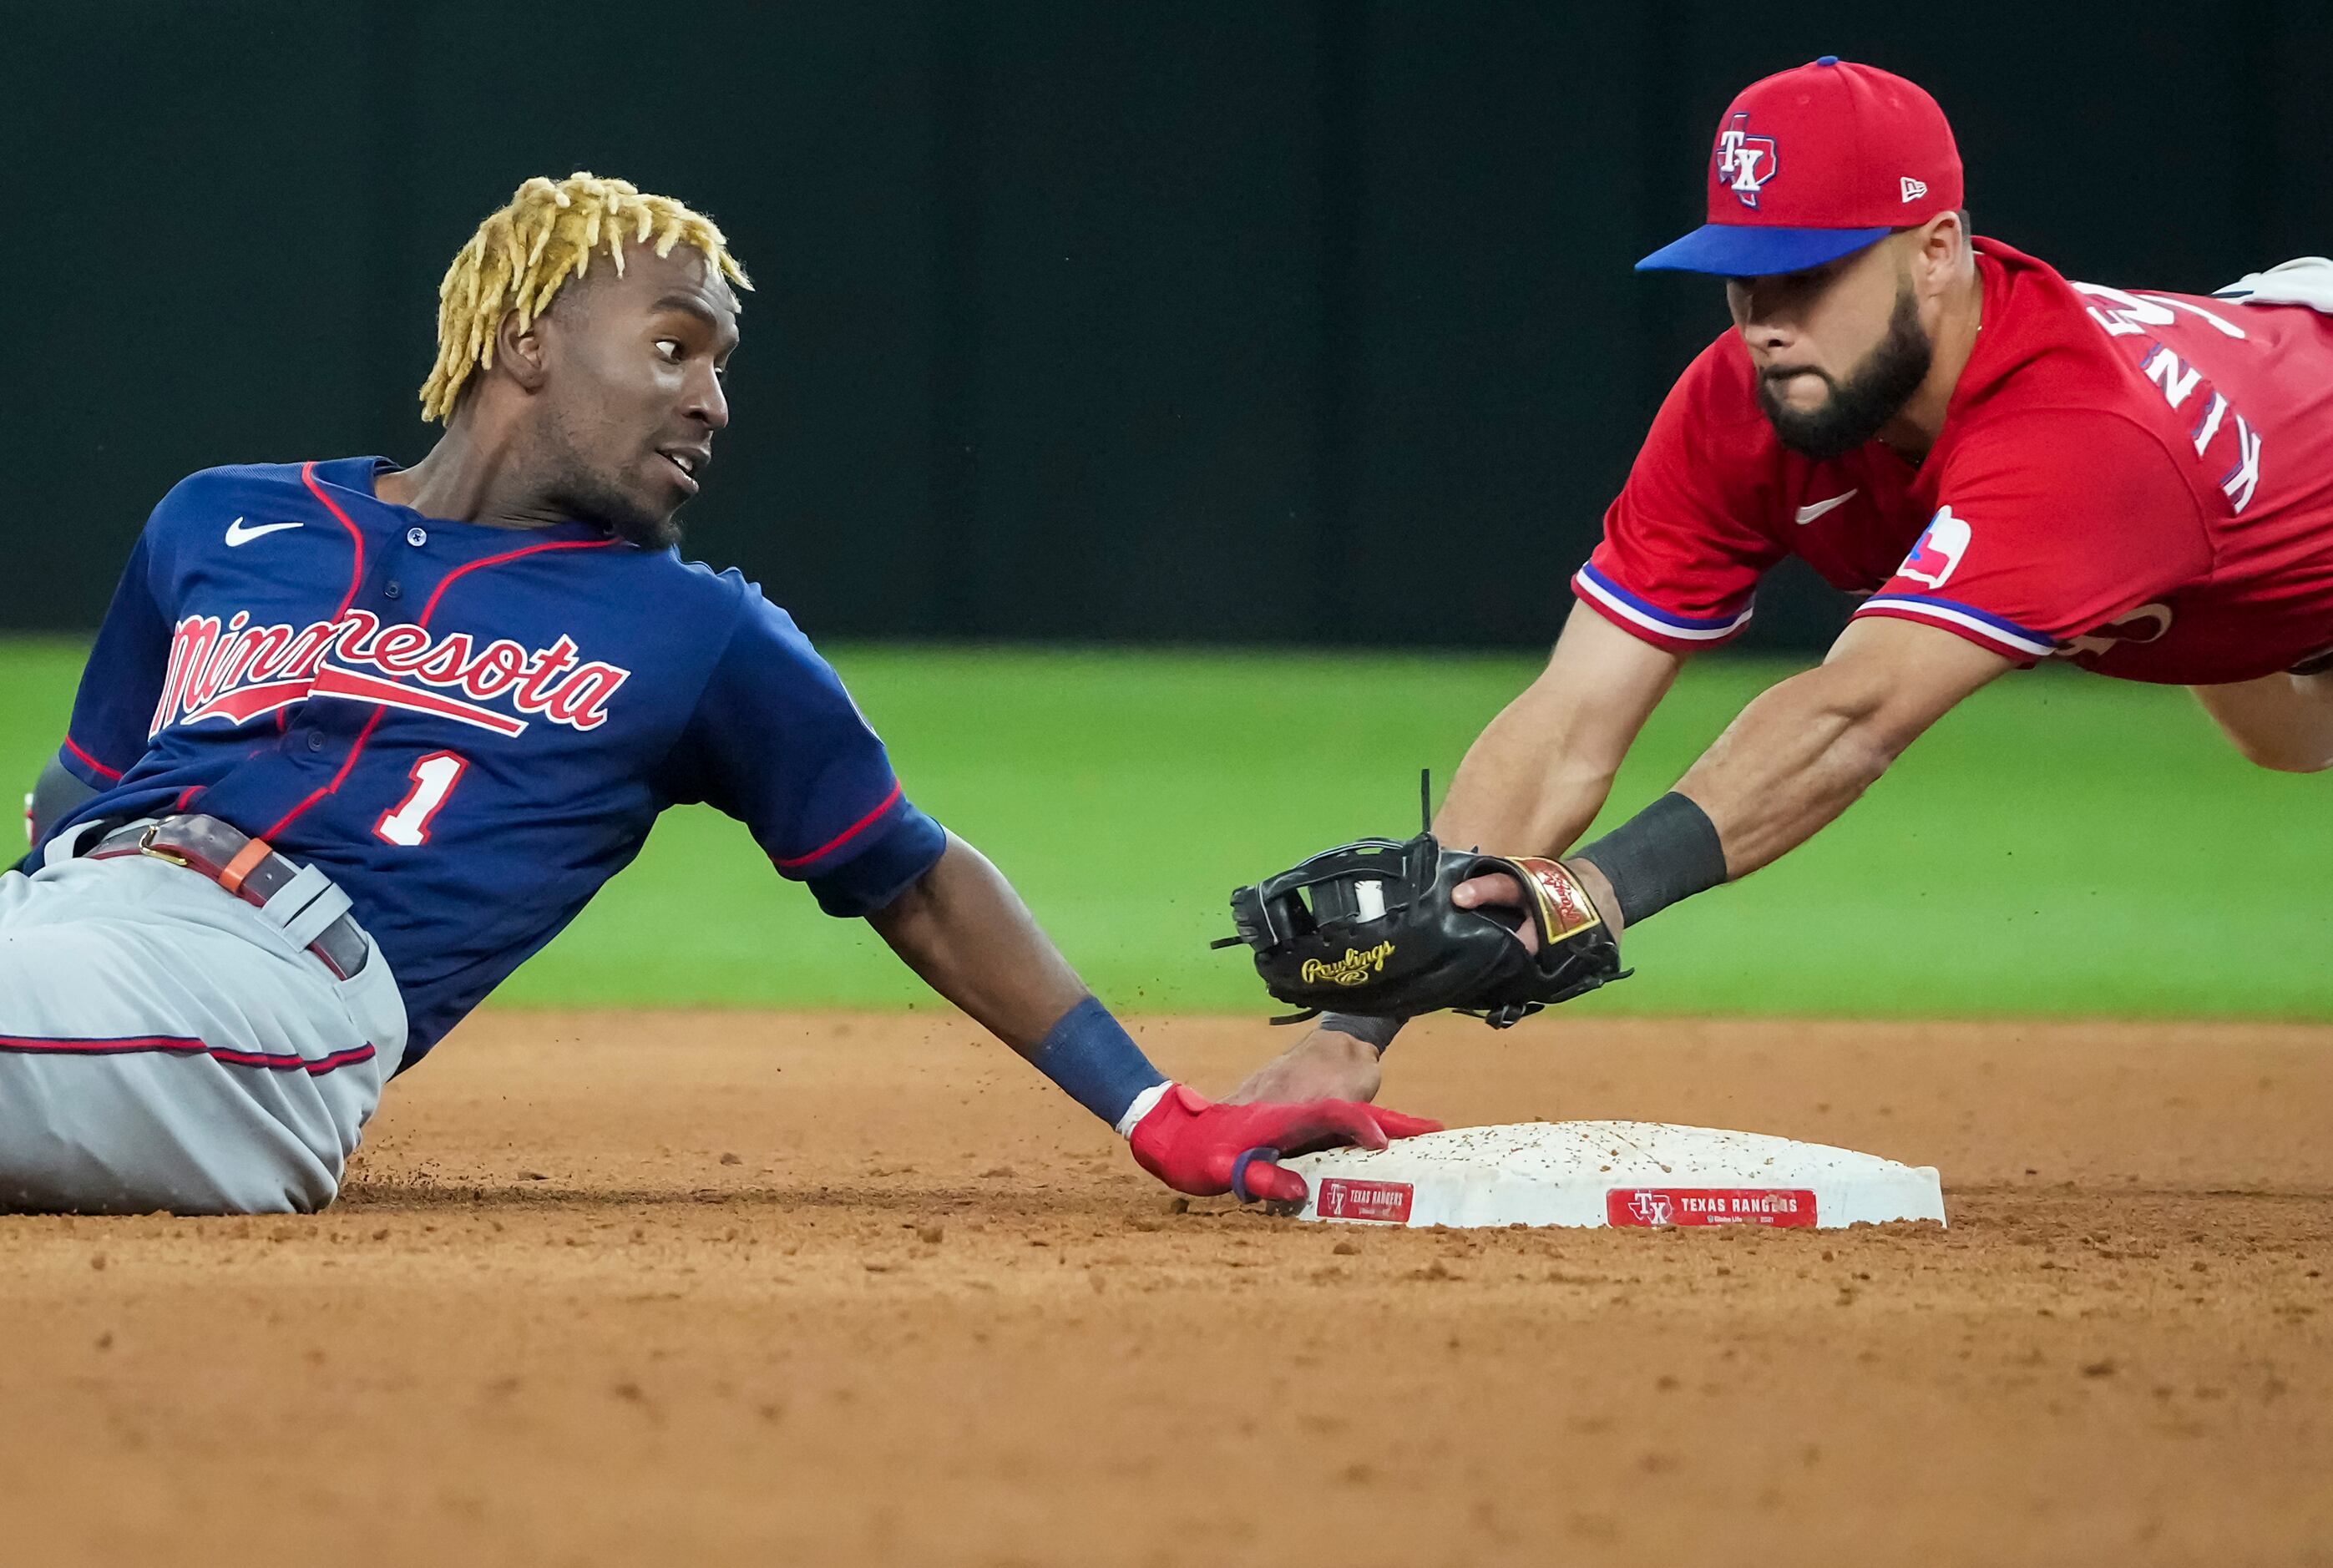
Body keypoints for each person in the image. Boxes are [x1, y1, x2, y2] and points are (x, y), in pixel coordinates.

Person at [4, 172, 1434, 1214]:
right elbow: (82, 789)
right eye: (674, 345)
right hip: (67, 932)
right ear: (522, 343)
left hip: (257, 1001)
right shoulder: (220, 518)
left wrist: (1158, 1110)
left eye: (722, 367)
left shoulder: (693, 634)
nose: (712, 401)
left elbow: (916, 878)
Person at [1231, 58, 2333, 1105]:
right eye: (1742, 280)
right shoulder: (1747, 401)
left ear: (1939, 248)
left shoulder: (2075, 435)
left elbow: (1848, 717)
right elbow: (1571, 718)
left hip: (2279, 413)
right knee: (2284, 732)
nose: (1766, 322)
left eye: (1808, 275)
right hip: (2255, 507)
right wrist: (1350, 1035)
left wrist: (1580, 900)